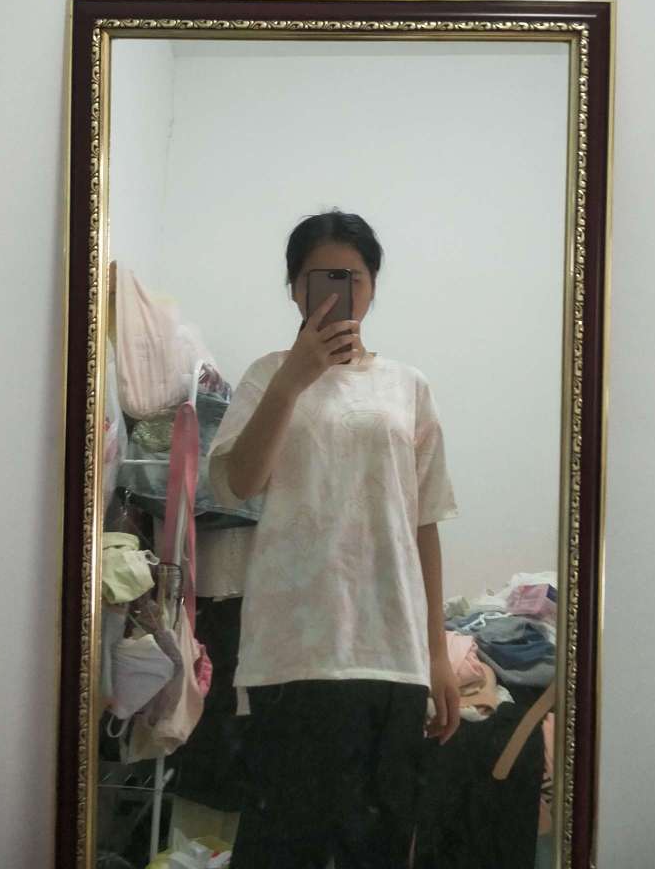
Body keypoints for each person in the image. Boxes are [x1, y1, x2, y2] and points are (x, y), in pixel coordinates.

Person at [208, 211, 460, 869]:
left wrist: (437, 653)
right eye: (320, 278)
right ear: (295, 288)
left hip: (390, 650)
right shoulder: (266, 376)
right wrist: (294, 379)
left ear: (372, 287)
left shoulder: (407, 387)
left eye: (353, 278)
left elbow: (424, 521)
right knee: (280, 847)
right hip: (290, 651)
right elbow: (237, 484)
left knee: (376, 847)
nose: (336, 292)